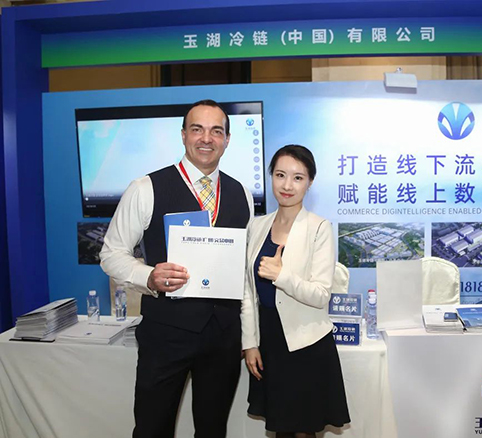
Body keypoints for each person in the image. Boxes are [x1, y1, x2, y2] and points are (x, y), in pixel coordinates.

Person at [100, 99, 254, 438]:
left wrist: (249, 336)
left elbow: (243, 273)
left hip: (223, 335)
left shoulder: (240, 192)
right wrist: (148, 276)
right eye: (197, 129)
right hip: (166, 334)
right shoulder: (146, 188)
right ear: (183, 135)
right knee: (153, 428)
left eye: (216, 131)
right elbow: (111, 254)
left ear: (227, 140)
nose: (206, 138)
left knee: (213, 430)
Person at [241, 145, 350, 438]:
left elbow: (321, 294)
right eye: (280, 175)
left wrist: (281, 276)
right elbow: (248, 292)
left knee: (304, 430)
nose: (287, 185)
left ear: (309, 182)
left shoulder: (319, 228)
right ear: (271, 177)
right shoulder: (257, 226)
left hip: (306, 342)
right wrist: (250, 342)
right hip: (269, 340)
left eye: (298, 178)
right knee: (280, 428)